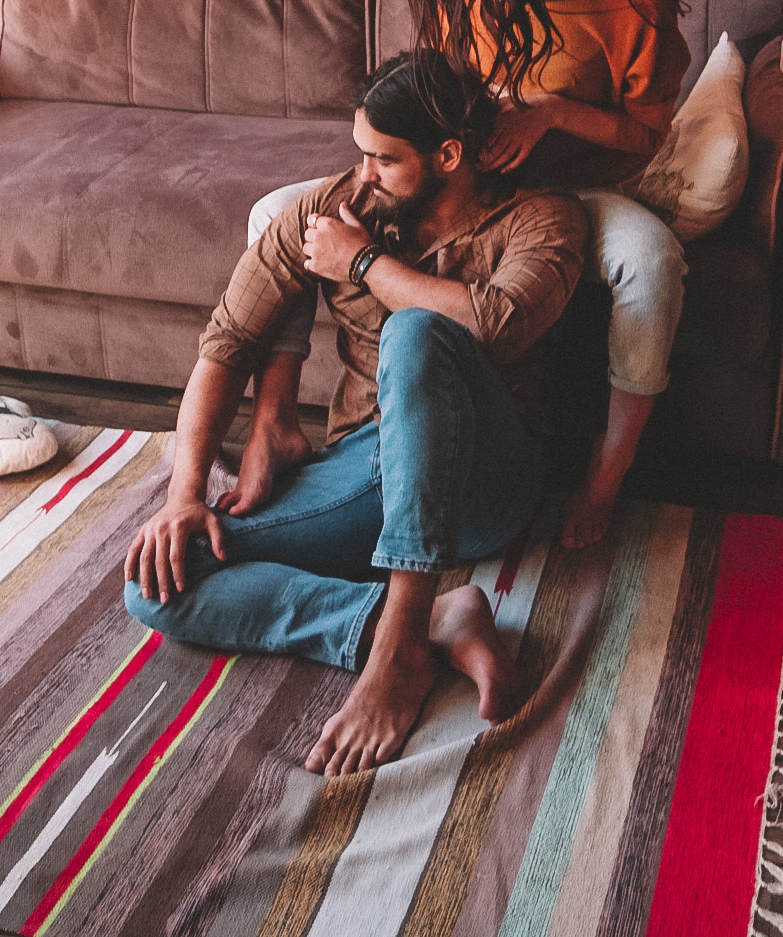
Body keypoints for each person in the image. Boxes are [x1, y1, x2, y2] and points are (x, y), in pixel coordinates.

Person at [123, 51, 585, 777]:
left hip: (489, 481)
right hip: (368, 468)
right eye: (360, 153)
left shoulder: (542, 218)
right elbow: (227, 343)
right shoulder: (332, 212)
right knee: (161, 577)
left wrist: (366, 266)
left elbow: (494, 322)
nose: (362, 173)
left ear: (449, 155)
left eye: (382, 159)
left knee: (417, 329)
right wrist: (182, 497)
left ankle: (400, 641)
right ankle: (431, 619)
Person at [238, 0, 691, 552]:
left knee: (654, 259)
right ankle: (275, 419)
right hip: (467, 179)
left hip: (566, 187)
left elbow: (645, 137)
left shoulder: (636, 5)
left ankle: (608, 469)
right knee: (275, 214)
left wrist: (551, 114)